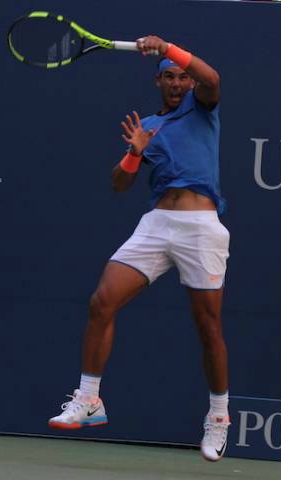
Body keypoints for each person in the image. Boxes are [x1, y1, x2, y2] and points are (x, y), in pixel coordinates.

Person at [46, 35, 231, 463]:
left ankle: (219, 416)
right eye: (169, 77)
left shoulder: (203, 107)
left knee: (208, 327)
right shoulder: (148, 125)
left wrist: (168, 47)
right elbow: (118, 184)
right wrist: (134, 154)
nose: (178, 83)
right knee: (102, 301)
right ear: (158, 82)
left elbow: (212, 76)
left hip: (201, 226)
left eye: (183, 77)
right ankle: (89, 399)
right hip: (157, 223)